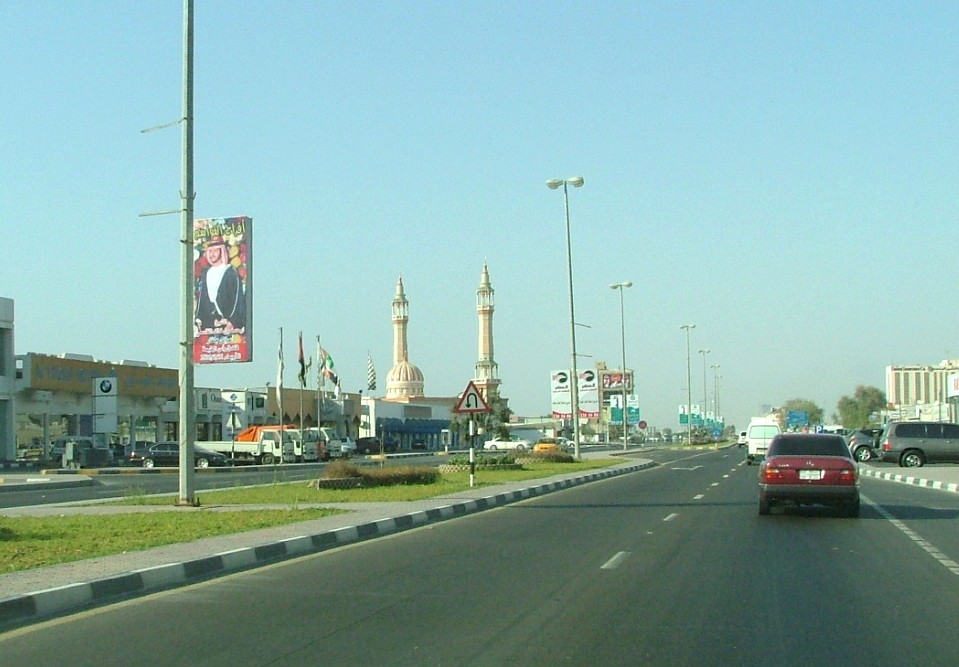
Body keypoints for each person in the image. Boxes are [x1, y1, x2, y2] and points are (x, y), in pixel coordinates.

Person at [195, 236, 246, 333]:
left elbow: (236, 299)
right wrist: (199, 318)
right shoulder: (206, 273)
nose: (212, 254)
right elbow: (202, 297)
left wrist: (232, 321)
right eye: (210, 251)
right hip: (210, 324)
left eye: (215, 250)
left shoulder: (230, 271)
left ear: (222, 251)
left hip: (228, 325)